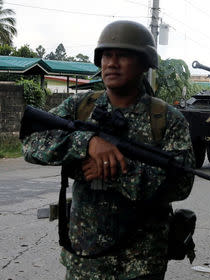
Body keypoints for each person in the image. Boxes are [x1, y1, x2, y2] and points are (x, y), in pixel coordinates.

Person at [21, 20, 195, 280]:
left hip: (142, 263)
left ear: (144, 63)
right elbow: (31, 143)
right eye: (106, 55)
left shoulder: (165, 118)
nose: (111, 63)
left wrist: (115, 171)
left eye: (122, 55)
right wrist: (86, 143)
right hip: (84, 261)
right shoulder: (80, 107)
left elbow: (182, 183)